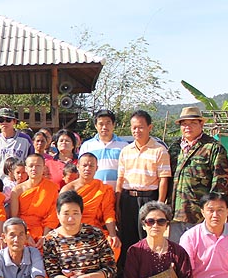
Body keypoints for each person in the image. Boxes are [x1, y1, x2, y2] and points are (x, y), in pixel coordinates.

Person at [167, 106, 228, 243]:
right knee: (176, 257)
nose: (187, 127)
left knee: (200, 257)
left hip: (199, 215)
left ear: (202, 124)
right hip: (176, 214)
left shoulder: (213, 148)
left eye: (193, 123)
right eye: (184, 124)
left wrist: (212, 211)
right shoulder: (174, 148)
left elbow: (220, 182)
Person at [116, 110, 171, 267]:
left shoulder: (160, 150)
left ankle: (148, 272)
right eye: (133, 127)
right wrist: (117, 204)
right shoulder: (125, 151)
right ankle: (127, 274)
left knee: (148, 238)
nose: (136, 131)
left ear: (150, 127)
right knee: (127, 237)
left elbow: (163, 180)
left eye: (140, 127)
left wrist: (159, 206)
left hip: (148, 199)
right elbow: (120, 179)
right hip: (128, 199)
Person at [61, 152, 120, 260]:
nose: (87, 168)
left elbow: (108, 213)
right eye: (84, 165)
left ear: (96, 168)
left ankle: (102, 275)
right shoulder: (68, 189)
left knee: (113, 245)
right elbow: (62, 214)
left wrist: (112, 234)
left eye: (91, 165)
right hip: (73, 228)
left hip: (95, 229)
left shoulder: (103, 189)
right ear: (78, 166)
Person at [8, 153, 59, 248]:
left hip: (45, 231)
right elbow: (14, 218)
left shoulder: (51, 188)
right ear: (26, 169)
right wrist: (25, 235)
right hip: (22, 231)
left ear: (44, 168)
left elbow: (52, 216)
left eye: (38, 166)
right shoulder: (17, 190)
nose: (34, 169)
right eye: (31, 166)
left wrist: (45, 236)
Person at [79, 110, 128, 188]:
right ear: (95, 126)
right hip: (93, 193)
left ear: (113, 124)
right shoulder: (87, 146)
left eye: (108, 123)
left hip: (117, 192)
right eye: (101, 124)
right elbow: (81, 171)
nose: (104, 127)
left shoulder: (124, 146)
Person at [0, 108, 33, 180]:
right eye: (1, 120)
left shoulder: (25, 140)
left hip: (19, 184)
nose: (4, 123)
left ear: (14, 121)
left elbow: (30, 163)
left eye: (8, 120)